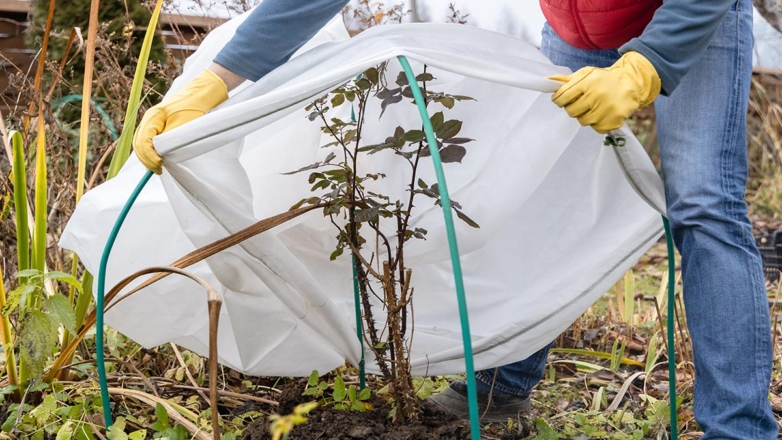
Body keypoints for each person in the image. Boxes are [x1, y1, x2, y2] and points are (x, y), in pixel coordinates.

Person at [132, 1, 777, 438]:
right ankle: (501, 389)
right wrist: (218, 80)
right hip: (576, 27)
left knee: (703, 205)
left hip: (687, 15)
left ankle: (738, 425)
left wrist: (650, 65)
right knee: (537, 195)